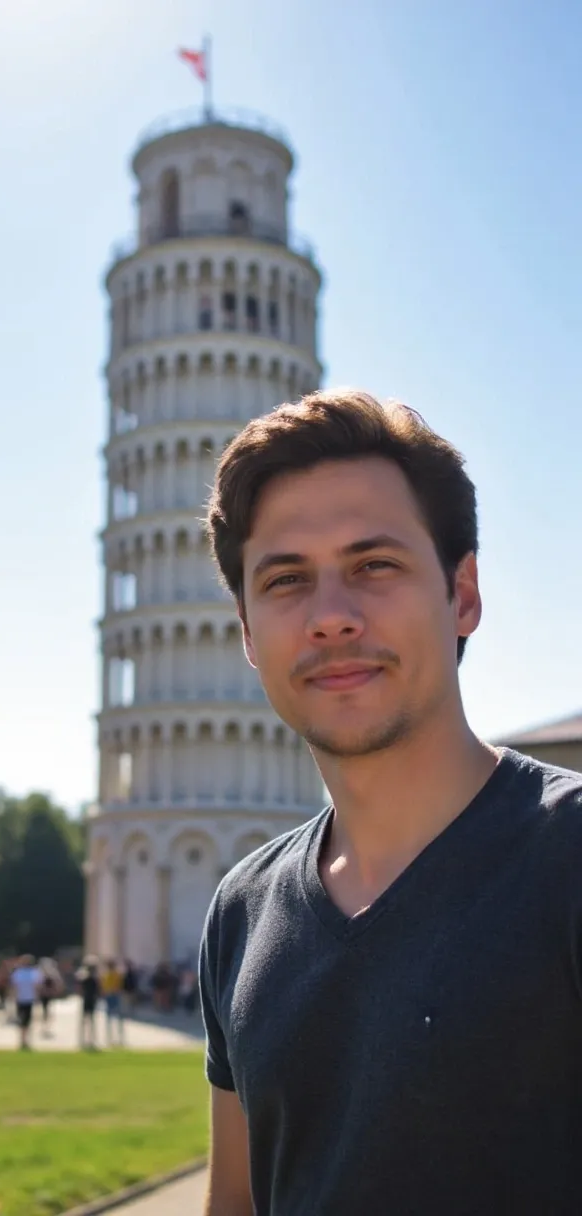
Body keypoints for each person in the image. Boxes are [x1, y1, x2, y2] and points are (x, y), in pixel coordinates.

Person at [199, 389, 582, 1216]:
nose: (331, 617)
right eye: (287, 579)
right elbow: (235, 1202)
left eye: (374, 565)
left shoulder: (569, 858)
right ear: (248, 634)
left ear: (464, 595)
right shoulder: (241, 912)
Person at [9, 954, 43, 1050]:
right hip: (20, 999)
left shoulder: (34, 973)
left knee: (28, 1021)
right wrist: (12, 997)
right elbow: (14, 987)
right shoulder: (18, 973)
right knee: (21, 1020)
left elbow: (37, 987)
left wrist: (37, 998)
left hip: (30, 999)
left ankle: (27, 1040)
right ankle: (22, 1040)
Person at [76, 956, 100, 1050]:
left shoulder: (95, 977)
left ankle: (91, 1040)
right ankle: (84, 1040)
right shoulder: (84, 976)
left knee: (91, 1021)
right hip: (87, 1000)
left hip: (91, 1000)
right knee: (85, 1021)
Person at [101, 958, 124, 1047]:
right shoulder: (106, 974)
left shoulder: (116, 974)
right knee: (109, 1017)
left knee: (117, 1017)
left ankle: (118, 1037)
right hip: (109, 996)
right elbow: (104, 986)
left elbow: (119, 986)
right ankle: (110, 1037)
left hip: (114, 996)